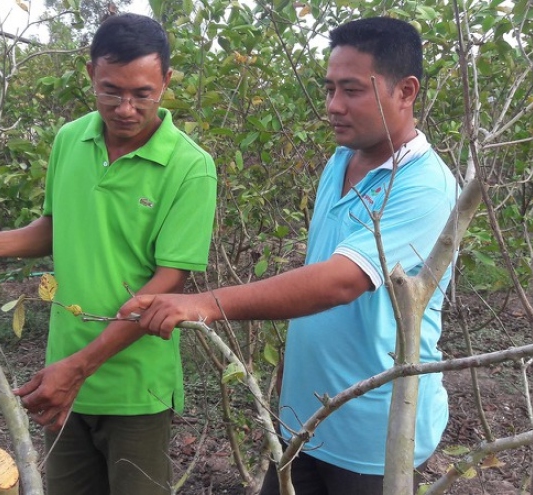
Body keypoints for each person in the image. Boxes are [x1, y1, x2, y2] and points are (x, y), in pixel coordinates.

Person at [118, 17, 457, 495]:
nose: (333, 106)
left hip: (373, 437)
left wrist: (205, 303)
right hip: (306, 421)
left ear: (406, 91)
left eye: (352, 90)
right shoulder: (342, 161)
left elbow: (339, 281)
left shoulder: (426, 188)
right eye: (330, 88)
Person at [0, 13, 217, 495]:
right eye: (111, 91)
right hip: (61, 375)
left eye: (142, 93)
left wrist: (80, 367)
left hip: (134, 388)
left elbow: (169, 282)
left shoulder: (190, 168)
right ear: (90, 76)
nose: (125, 108)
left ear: (165, 82)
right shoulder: (70, 139)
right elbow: (58, 227)